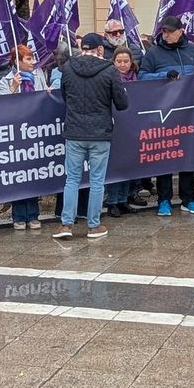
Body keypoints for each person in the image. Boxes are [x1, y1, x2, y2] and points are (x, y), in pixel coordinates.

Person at [53, 33, 129, 240]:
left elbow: (65, 97)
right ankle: (93, 226)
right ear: (99, 49)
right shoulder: (110, 70)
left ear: (82, 46)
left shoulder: (67, 68)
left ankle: (66, 224)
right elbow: (122, 104)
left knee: (72, 179)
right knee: (97, 181)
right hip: (100, 133)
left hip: (75, 131)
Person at [139, 17, 194, 216]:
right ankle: (164, 200)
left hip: (189, 112)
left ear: (181, 31)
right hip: (163, 113)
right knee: (165, 156)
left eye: (170, 31)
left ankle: (188, 199)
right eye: (164, 31)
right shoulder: (154, 53)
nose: (166, 34)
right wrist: (163, 76)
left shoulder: (193, 50)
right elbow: (141, 76)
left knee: (187, 157)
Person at [0, 44, 49, 230]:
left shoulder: (38, 76)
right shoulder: (6, 80)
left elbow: (43, 99)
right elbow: (1, 107)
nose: (33, 62)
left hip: (35, 130)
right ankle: (19, 215)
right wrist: (13, 88)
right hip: (17, 133)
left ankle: (33, 214)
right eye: (28, 59)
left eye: (32, 58)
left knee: (33, 173)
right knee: (19, 175)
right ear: (17, 62)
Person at [103, 48, 143, 217]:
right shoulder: (109, 77)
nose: (122, 64)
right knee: (116, 164)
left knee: (128, 163)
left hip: (132, 124)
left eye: (126, 61)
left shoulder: (136, 77)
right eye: (119, 61)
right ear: (113, 62)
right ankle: (112, 201)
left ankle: (124, 199)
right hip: (115, 124)